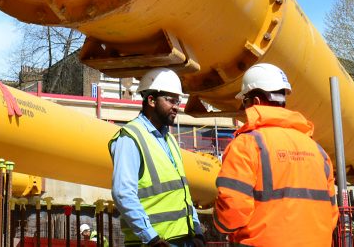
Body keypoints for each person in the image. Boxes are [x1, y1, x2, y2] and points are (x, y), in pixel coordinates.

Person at [213, 63, 339, 246]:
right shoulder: (317, 150)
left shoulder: (247, 144)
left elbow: (233, 209)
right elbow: (332, 213)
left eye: (244, 102)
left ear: (254, 101)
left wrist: (218, 222)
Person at [110, 67, 206, 247]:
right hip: (152, 242)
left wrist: (197, 231)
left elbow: (182, 193)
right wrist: (152, 238)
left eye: (178, 101)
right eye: (171, 100)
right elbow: (123, 194)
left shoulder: (169, 140)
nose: (176, 107)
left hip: (184, 240)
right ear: (151, 100)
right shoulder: (130, 137)